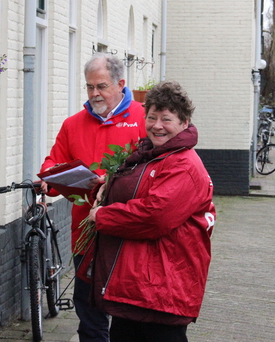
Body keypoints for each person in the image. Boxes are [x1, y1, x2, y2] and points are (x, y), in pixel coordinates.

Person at [87, 81, 216, 342]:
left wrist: (103, 216)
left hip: (161, 289)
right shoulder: (149, 155)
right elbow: (134, 191)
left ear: (184, 123)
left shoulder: (184, 165)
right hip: (135, 286)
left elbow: (154, 216)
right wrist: (104, 187)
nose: (157, 125)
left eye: (166, 119)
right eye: (152, 117)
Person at [40, 53, 146, 342]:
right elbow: (51, 166)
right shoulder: (73, 124)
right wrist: (49, 183)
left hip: (128, 234)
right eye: (89, 87)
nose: (94, 94)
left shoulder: (144, 120)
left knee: (126, 310)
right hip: (85, 232)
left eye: (101, 86)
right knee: (88, 308)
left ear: (121, 84)